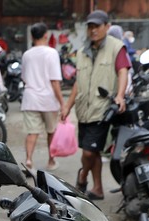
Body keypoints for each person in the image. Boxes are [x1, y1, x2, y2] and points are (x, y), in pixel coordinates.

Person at [61, 9, 130, 200]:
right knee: (94, 150)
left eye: (97, 26)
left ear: (107, 27)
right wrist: (67, 105)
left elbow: (123, 71)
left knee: (90, 152)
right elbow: (78, 81)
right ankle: (98, 188)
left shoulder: (117, 47)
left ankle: (82, 178)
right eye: (90, 26)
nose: (93, 30)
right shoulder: (82, 52)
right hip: (83, 109)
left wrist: (121, 96)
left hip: (101, 109)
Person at [21, 22, 65, 171]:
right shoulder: (52, 53)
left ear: (32, 36)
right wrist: (62, 103)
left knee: (32, 132)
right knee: (51, 131)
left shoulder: (27, 54)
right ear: (46, 35)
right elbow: (55, 82)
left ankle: (28, 160)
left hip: (31, 98)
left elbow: (24, 78)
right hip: (48, 100)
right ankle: (51, 160)